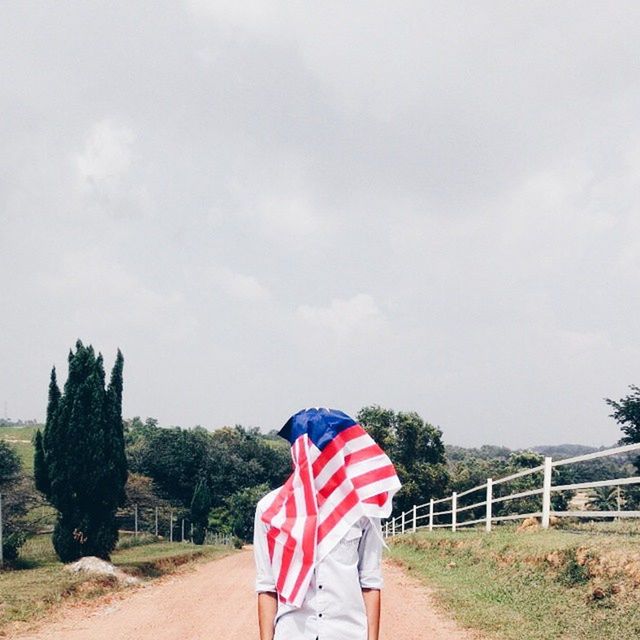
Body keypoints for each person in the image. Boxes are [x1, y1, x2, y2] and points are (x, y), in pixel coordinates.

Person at [253, 407, 401, 640]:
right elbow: (267, 587)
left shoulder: (362, 511)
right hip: (293, 633)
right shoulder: (270, 511)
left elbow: (370, 582)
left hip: (348, 632)